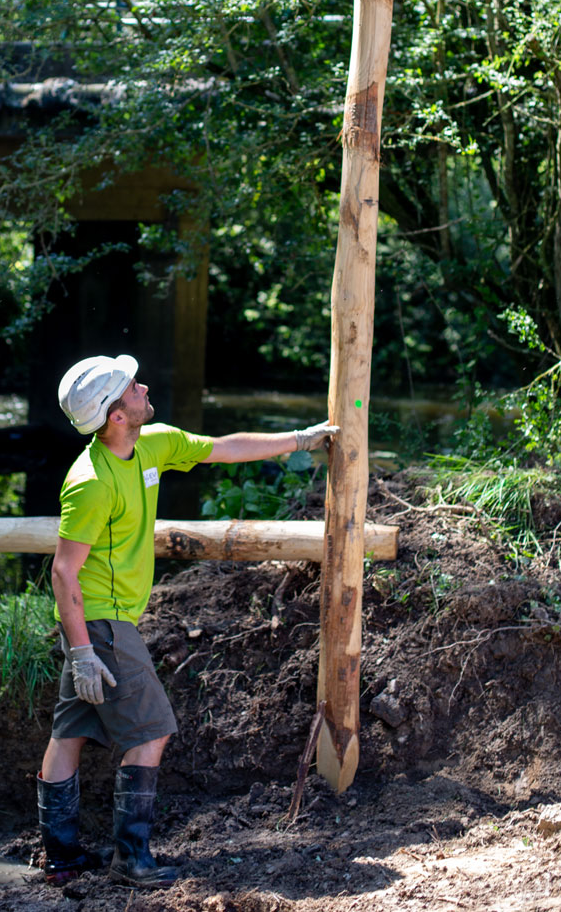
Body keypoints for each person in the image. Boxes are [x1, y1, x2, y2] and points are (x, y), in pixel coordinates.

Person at [37, 352, 338, 888]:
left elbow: (224, 449)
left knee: (71, 731)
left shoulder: (151, 444)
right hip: (102, 622)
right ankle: (131, 861)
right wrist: (82, 651)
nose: (143, 386)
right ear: (116, 417)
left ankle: (60, 858)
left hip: (100, 621)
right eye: (132, 387)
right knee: (152, 731)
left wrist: (302, 438)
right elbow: (64, 573)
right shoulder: (90, 482)